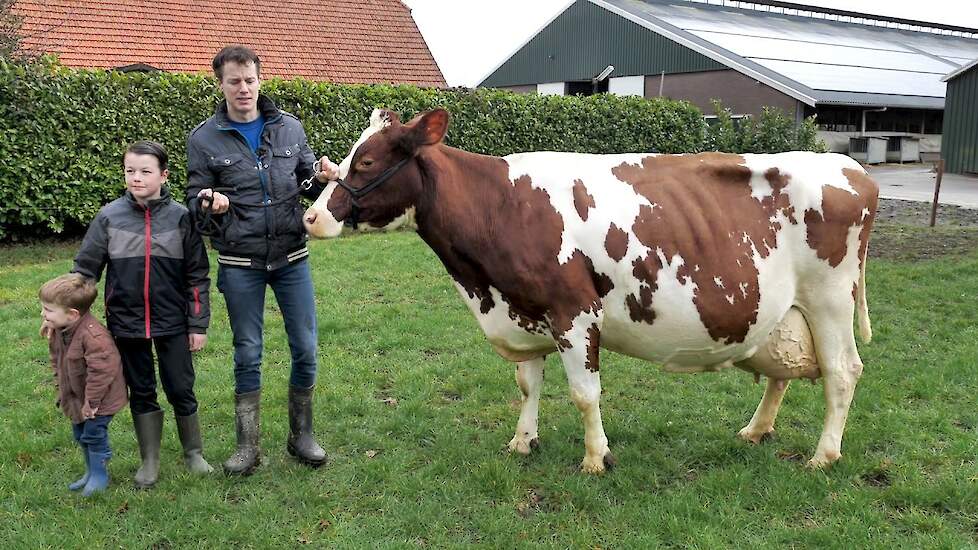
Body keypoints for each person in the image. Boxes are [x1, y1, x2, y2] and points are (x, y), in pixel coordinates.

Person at [185, 45, 339, 475]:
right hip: (239, 262)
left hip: (291, 256)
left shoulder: (289, 128)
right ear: (221, 84)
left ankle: (301, 436)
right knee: (247, 351)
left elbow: (306, 182)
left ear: (260, 80)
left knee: (306, 347)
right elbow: (193, 197)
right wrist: (207, 201)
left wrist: (322, 177)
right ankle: (247, 446)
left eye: (249, 80)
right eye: (234, 81)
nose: (243, 89)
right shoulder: (204, 138)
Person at [74, 140, 213, 488]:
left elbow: (197, 275)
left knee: (181, 387)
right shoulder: (108, 217)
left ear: (164, 175)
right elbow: (85, 271)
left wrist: (197, 323)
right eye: (130, 171)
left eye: (145, 171)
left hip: (174, 323)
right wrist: (72, 314)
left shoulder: (182, 218)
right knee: (142, 390)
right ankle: (149, 460)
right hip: (126, 324)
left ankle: (193, 453)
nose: (136, 178)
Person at [40, 273, 128, 497]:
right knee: (80, 434)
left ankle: (100, 474)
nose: (43, 314)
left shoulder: (94, 338)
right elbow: (57, 357)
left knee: (94, 434)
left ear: (72, 314)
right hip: (77, 396)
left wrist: (92, 403)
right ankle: (90, 471)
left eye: (48, 311)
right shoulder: (63, 328)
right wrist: (51, 327)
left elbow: (102, 374)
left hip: (99, 400)